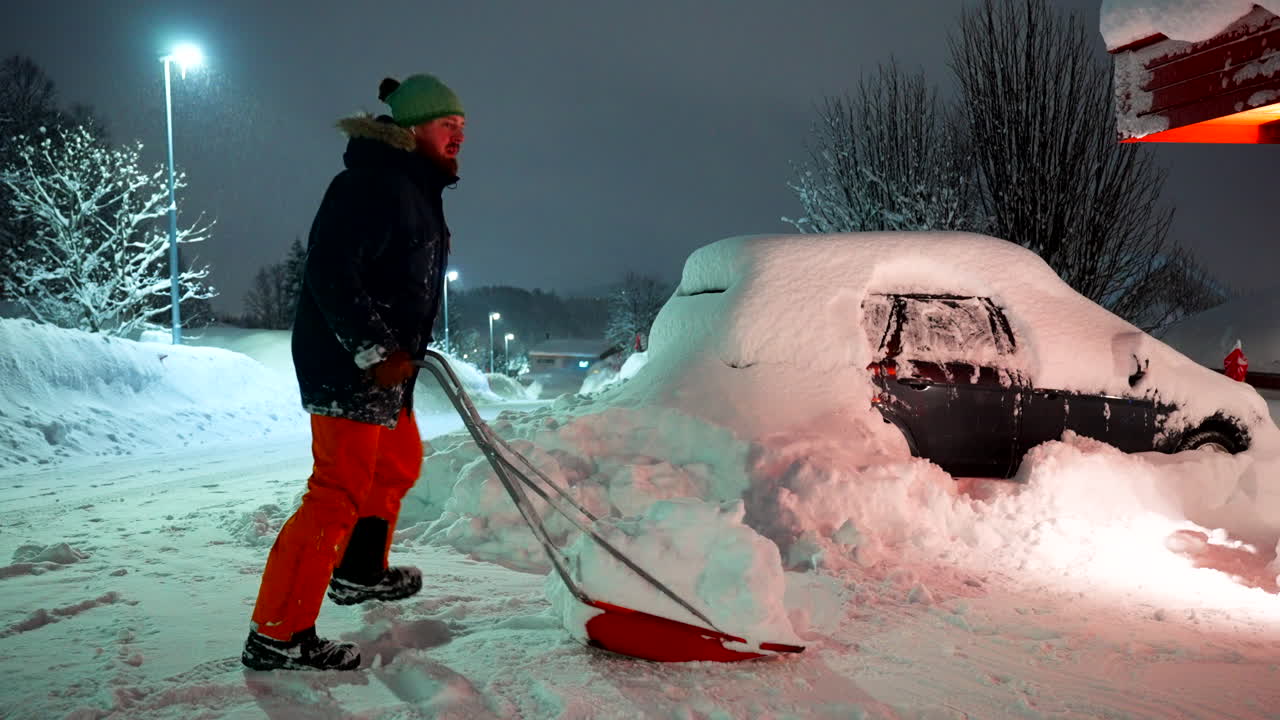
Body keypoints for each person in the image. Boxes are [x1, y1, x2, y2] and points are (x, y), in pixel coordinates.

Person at [241, 73, 465, 671]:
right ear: (414, 128)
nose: (459, 136)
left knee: (396, 464)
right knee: (335, 495)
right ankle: (278, 633)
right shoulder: (370, 184)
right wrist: (372, 349)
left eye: (462, 127)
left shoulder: (414, 189)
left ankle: (360, 573)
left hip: (390, 370)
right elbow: (331, 273)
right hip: (350, 366)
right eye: (448, 125)